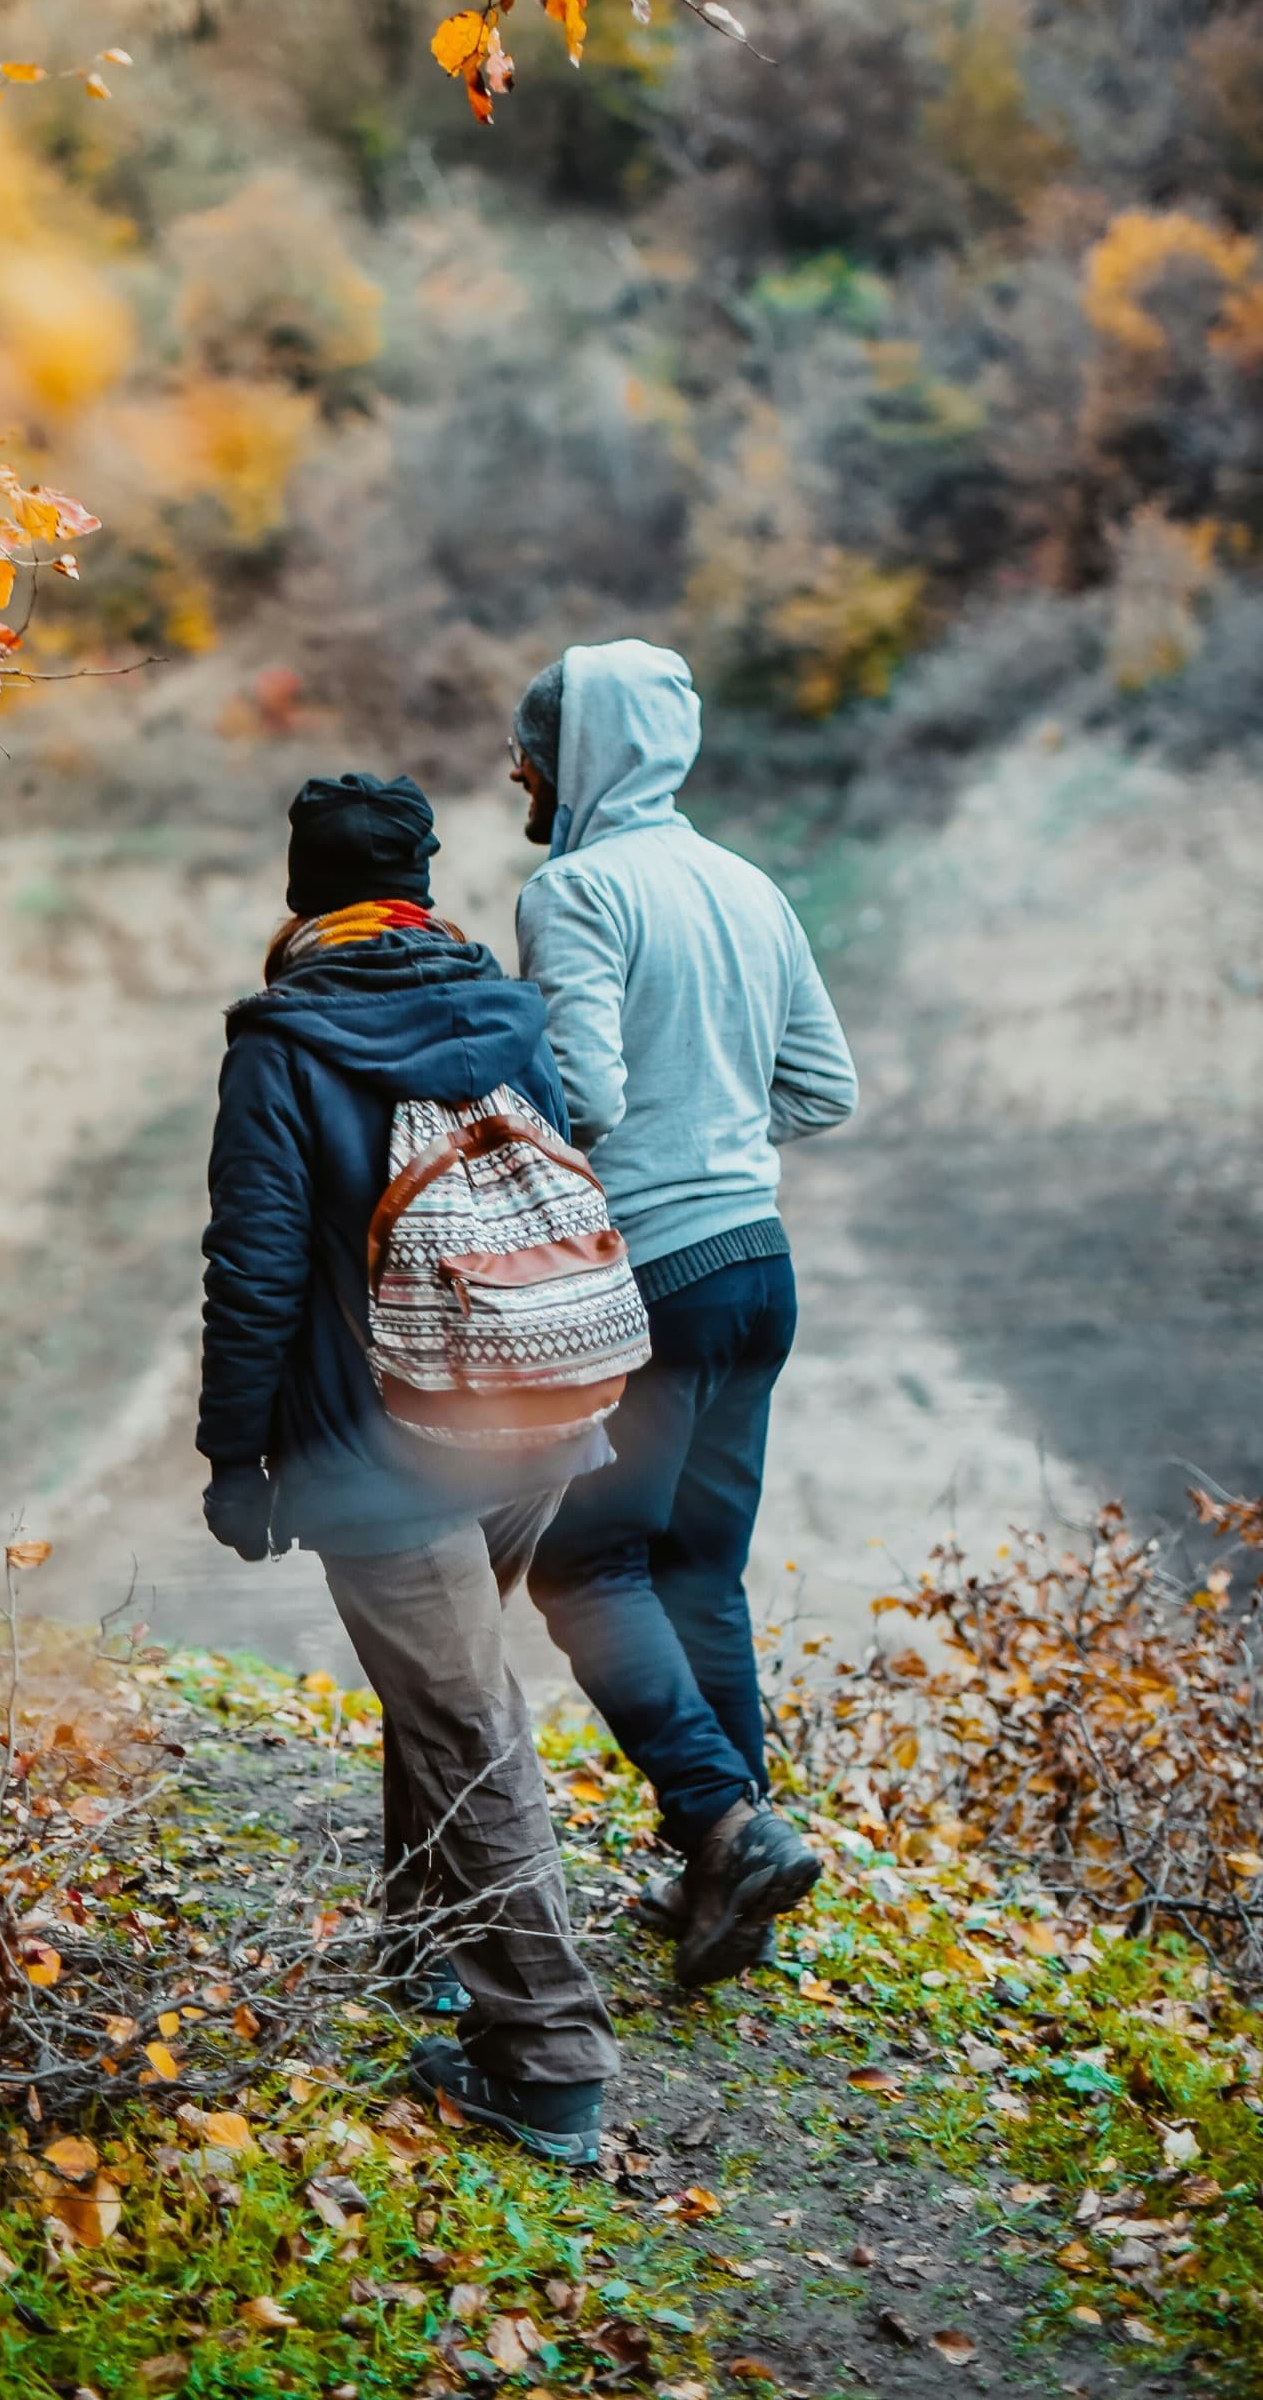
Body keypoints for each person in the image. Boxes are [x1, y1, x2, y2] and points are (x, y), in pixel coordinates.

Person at [196, 770, 620, 2163]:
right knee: (440, 1686)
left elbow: (255, 1269)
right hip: (536, 1407)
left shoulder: (284, 1042)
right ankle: (427, 1946)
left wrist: (237, 1458)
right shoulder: (503, 1007)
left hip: (382, 1447)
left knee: (460, 1712)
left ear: (300, 890)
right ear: (422, 886)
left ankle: (547, 2058)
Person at [508, 642, 859, 1990]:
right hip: (759, 1265)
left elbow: (582, 1093)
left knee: (582, 1567)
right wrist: (719, 1129)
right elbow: (820, 1090)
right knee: (698, 1569)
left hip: (654, 1277)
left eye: (531, 746)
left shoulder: (577, 888)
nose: (517, 770)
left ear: (580, 754)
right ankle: (729, 1881)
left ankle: (723, 1822)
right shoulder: (748, 887)